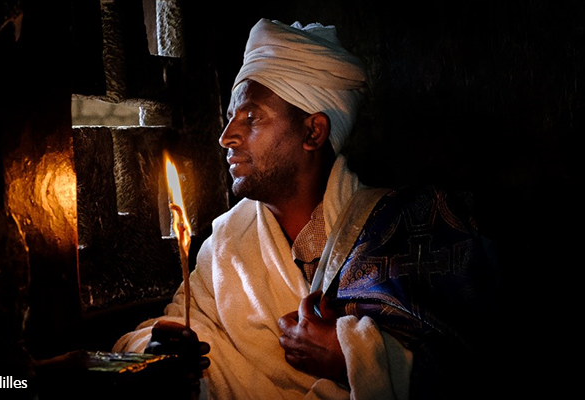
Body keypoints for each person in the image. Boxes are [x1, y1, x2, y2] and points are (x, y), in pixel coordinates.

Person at [113, 18, 496, 400]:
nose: (226, 136)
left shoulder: (408, 227)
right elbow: (160, 331)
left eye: (251, 117)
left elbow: (479, 370)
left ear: (313, 132)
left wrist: (352, 357)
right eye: (231, 117)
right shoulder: (228, 242)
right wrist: (159, 352)